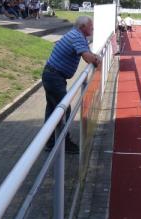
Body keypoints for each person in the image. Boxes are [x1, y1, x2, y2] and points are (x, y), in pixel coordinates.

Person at [43, 15, 101, 153]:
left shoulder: (78, 36)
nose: (93, 28)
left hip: (53, 76)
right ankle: (62, 142)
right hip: (53, 77)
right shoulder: (76, 36)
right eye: (90, 26)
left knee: (53, 110)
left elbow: (88, 53)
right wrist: (97, 60)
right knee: (63, 109)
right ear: (83, 27)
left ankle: (51, 142)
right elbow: (88, 58)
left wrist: (94, 56)